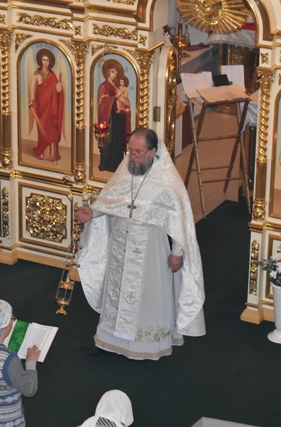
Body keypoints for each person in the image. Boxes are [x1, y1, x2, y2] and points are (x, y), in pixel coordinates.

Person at [76, 127, 205, 361]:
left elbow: (179, 221)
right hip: (120, 245)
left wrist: (177, 252)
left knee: (147, 299)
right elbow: (111, 200)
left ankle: (146, 346)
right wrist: (92, 212)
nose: (132, 157)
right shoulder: (125, 171)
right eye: (130, 151)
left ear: (153, 152)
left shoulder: (168, 181)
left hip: (150, 249)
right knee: (115, 295)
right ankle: (106, 341)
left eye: (138, 152)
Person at [28, 48, 65, 161]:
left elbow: (58, 90)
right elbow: (33, 89)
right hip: (41, 106)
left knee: (51, 128)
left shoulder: (52, 75)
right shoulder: (37, 74)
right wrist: (31, 101)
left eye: (47, 60)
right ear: (40, 60)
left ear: (50, 62)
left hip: (52, 107)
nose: (45, 62)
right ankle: (42, 153)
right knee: (42, 128)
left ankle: (52, 154)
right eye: (43, 60)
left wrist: (59, 80)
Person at [97, 63, 131, 172]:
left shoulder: (116, 87)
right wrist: (115, 97)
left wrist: (125, 102)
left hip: (118, 117)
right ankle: (105, 164)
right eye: (112, 72)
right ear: (108, 72)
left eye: (116, 73)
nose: (114, 74)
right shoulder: (103, 86)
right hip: (109, 117)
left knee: (118, 139)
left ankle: (116, 164)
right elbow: (102, 103)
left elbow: (122, 98)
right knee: (109, 139)